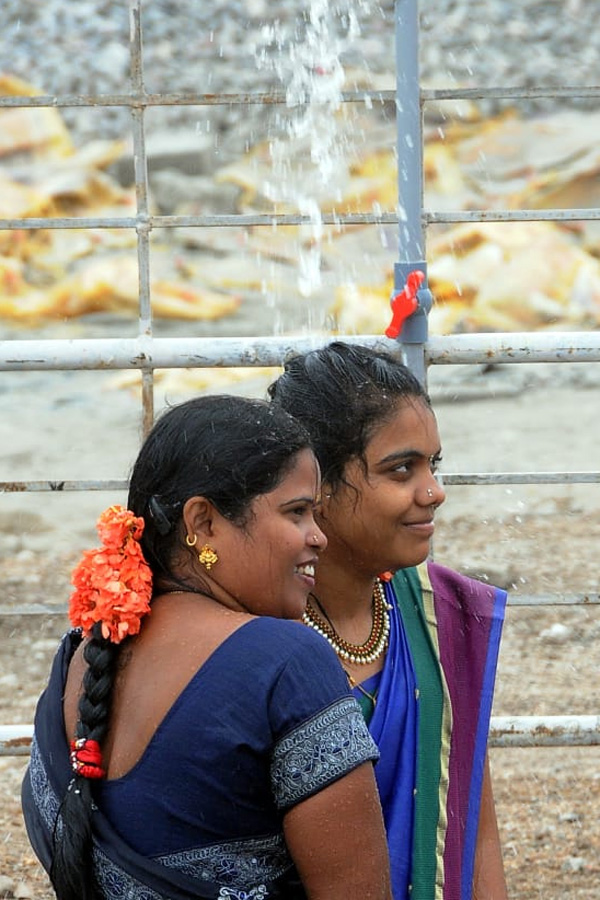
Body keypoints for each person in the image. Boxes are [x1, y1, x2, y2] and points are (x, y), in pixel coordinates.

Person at [21, 394, 392, 900]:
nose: (319, 538)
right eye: (298, 513)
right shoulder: (286, 662)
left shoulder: (81, 656)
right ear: (203, 523)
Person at [268, 342, 509, 900]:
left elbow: (471, 824)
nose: (435, 492)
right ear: (316, 487)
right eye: (402, 470)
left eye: (434, 464)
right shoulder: (262, 633)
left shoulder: (436, 613)